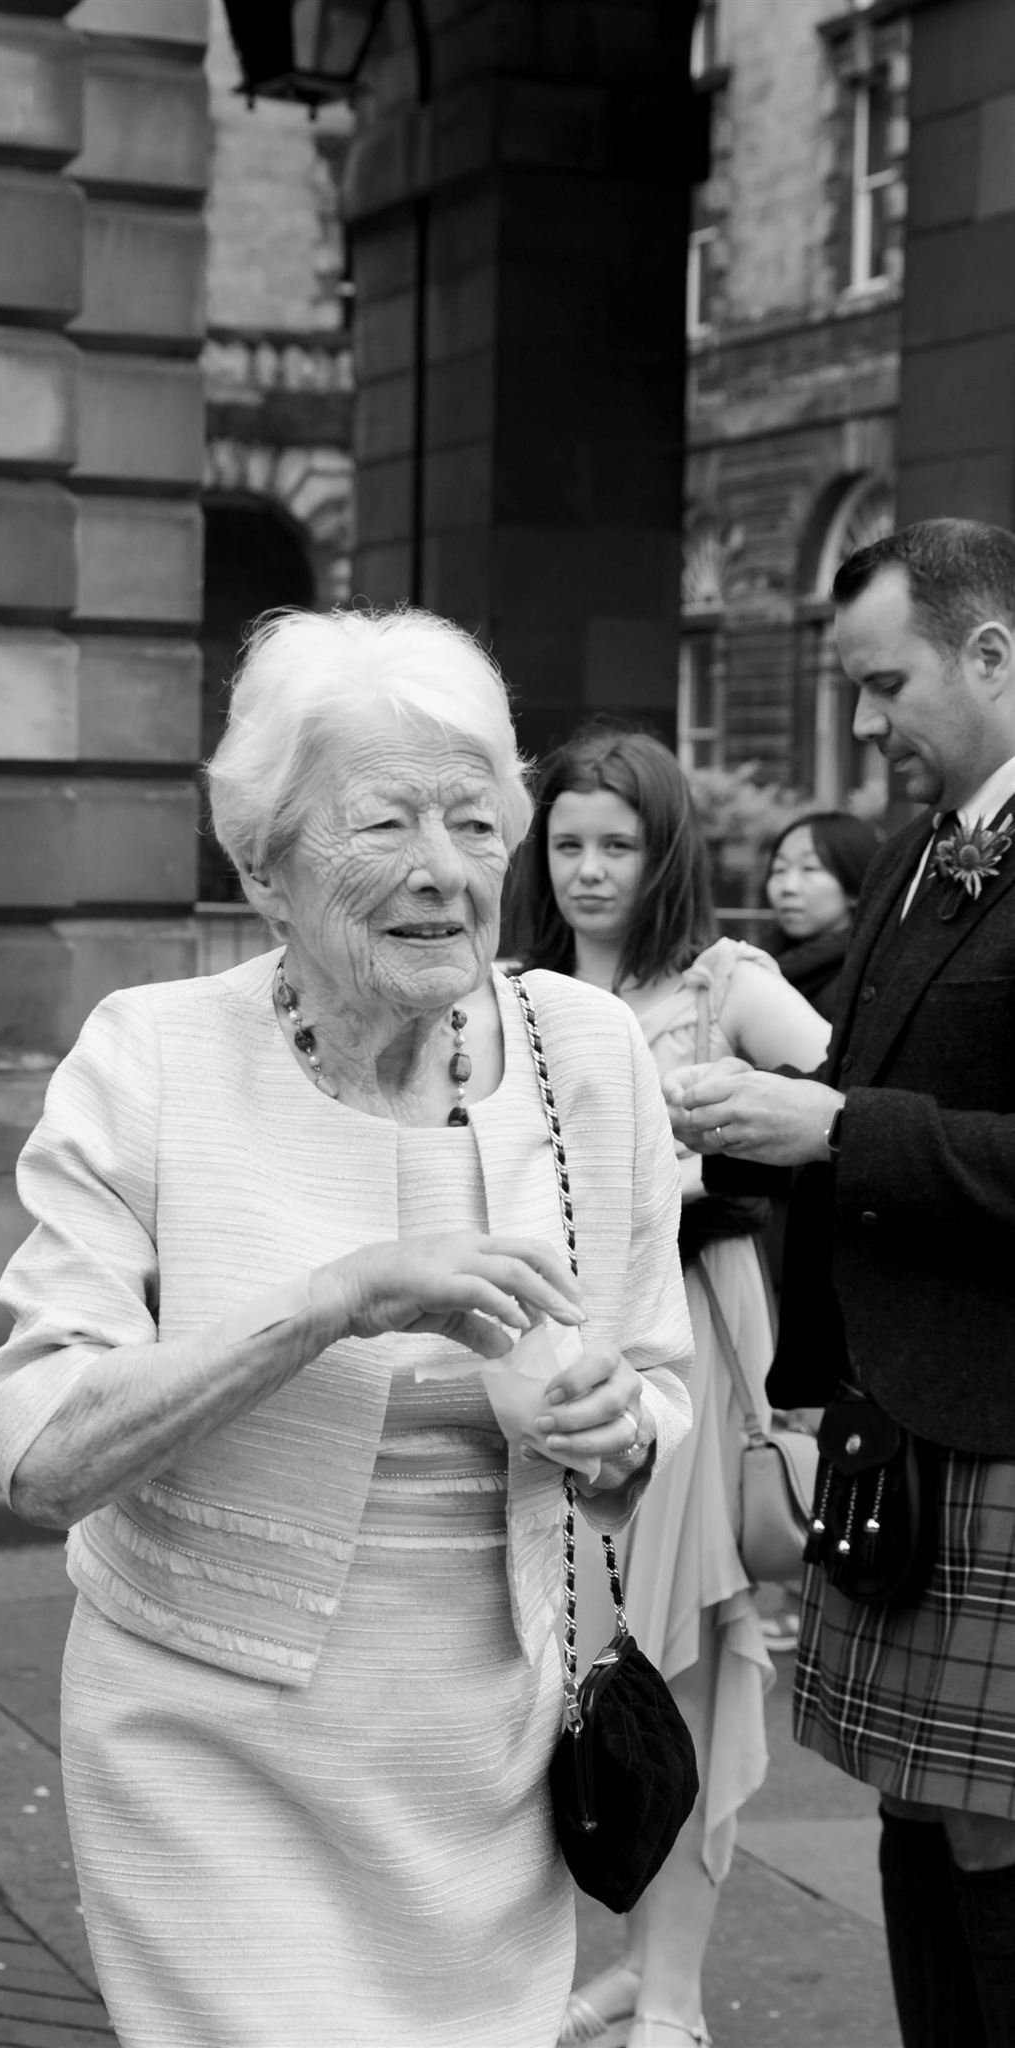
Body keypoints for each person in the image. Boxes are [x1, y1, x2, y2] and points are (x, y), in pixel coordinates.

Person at [0, 606, 695, 2048]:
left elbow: (659, 1382)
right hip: (210, 1751)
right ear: (265, 866)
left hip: (488, 1756)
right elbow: (44, 1452)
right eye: (384, 823)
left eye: (476, 824)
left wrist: (615, 1428)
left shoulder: (589, 1053)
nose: (445, 870)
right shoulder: (154, 1056)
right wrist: (328, 1305)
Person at [664, 518, 1015, 2048]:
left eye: (885, 685)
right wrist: (732, 1136)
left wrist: (833, 1128)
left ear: (990, 653)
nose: (865, 726)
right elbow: (860, 1105)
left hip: (1000, 1423)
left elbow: (868, 1122)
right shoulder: (929, 854)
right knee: (918, 1816)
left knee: (994, 1833)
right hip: (901, 1418)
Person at [510, 724, 829, 2048]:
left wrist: (726, 1161)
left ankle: (676, 1993)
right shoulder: (508, 990)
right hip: (548, 1342)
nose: (588, 869)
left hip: (691, 1326)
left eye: (617, 844)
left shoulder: (722, 982)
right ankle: (629, 1966)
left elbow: (846, 1104)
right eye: (566, 842)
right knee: (561, 1662)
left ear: (666, 853)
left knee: (680, 1660)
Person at [763, 809, 885, 1021]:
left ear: (855, 886)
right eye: (779, 869)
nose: (788, 887)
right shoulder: (767, 961)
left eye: (809, 868)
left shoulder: (867, 980)